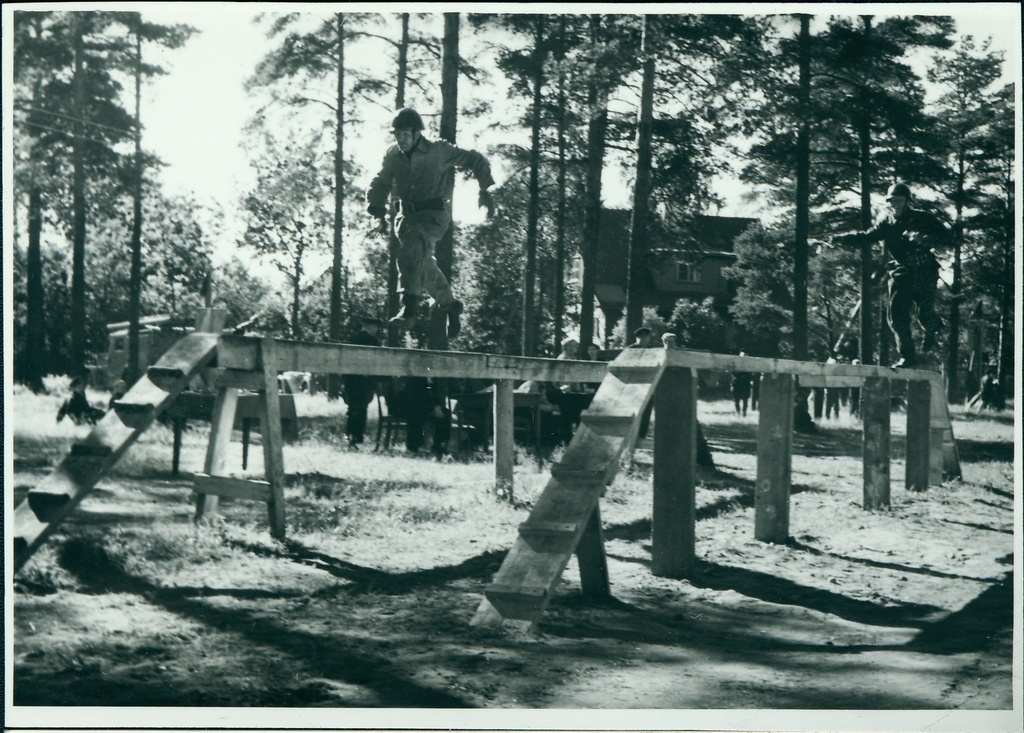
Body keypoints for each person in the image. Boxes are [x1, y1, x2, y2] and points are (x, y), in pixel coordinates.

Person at [366, 107, 496, 338]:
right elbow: (381, 182)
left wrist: (485, 189)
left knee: (411, 251)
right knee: (423, 267)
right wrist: (378, 211)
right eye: (397, 134)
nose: (400, 139)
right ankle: (450, 305)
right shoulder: (393, 156)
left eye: (405, 134)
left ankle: (409, 310)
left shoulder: (439, 150)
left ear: (417, 133)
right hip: (406, 219)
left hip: (434, 217)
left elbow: (474, 159)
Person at [832, 182, 951, 369]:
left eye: (900, 200)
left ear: (907, 201)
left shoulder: (923, 218)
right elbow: (867, 236)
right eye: (892, 200)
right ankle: (908, 357)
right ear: (888, 202)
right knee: (895, 316)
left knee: (924, 313)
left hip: (924, 271)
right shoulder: (886, 222)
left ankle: (932, 328)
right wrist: (842, 238)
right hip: (902, 271)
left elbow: (949, 237)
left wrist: (927, 239)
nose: (896, 204)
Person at [342, 316, 383, 449]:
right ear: (370, 326)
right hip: (364, 381)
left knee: (353, 408)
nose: (377, 330)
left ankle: (350, 436)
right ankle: (357, 437)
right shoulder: (372, 341)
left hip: (351, 380)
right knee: (361, 409)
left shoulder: (352, 339)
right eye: (376, 327)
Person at [386, 376, 451, 458]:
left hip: (423, 407)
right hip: (406, 407)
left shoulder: (432, 380)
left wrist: (437, 407)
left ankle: (438, 444)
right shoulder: (415, 379)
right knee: (415, 413)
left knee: (446, 413)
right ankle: (414, 445)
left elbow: (433, 395)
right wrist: (433, 408)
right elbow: (414, 399)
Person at [731, 353, 752, 417]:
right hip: (738, 384)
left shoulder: (749, 365)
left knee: (745, 400)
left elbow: (750, 375)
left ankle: (744, 413)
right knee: (737, 400)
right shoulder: (737, 364)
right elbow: (733, 373)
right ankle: (738, 412)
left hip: (745, 384)